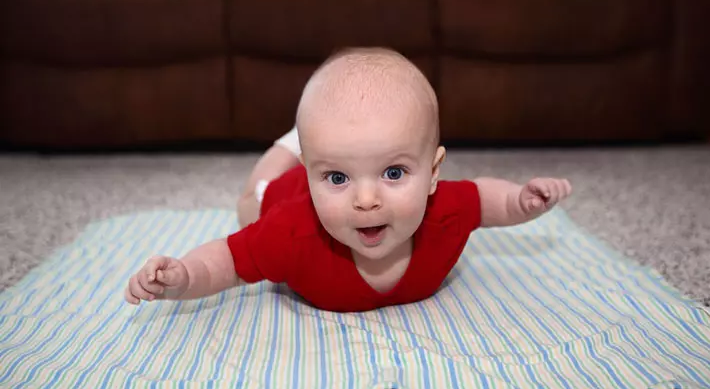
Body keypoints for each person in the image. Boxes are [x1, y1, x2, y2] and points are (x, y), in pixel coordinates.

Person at [124, 48, 572, 312]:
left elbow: (485, 199)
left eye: (393, 173)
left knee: (336, 163)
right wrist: (183, 276)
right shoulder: (291, 233)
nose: (366, 200)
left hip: (317, 183)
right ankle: (290, 148)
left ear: (434, 174)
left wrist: (520, 201)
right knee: (250, 200)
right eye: (339, 176)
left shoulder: (443, 212)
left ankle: (315, 153)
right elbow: (225, 261)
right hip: (284, 197)